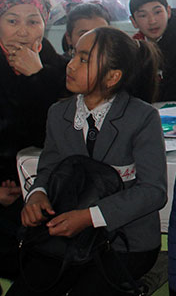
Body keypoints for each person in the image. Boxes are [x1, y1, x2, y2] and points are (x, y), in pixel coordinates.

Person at [14, 27, 167, 295]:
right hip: (71, 239)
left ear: (112, 76)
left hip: (126, 240)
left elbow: (153, 192)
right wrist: (37, 194)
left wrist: (89, 217)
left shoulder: (141, 118)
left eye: (83, 59)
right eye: (73, 54)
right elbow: (49, 167)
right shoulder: (59, 113)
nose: (70, 64)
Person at [0, 0, 70, 279]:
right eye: (12, 21)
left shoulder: (55, 66)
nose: (23, 31)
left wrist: (37, 77)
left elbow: (53, 135)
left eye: (33, 21)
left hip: (41, 186)